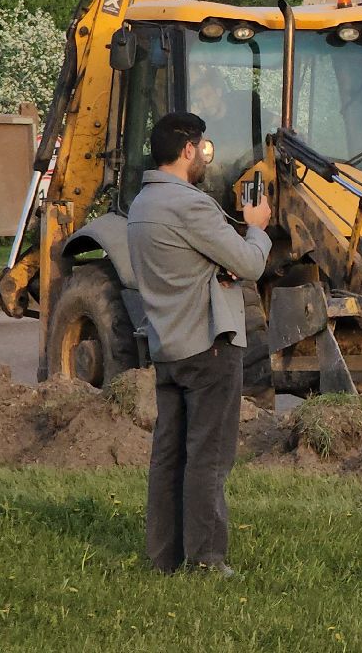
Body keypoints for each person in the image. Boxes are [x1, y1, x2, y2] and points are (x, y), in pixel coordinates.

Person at [128, 112, 272, 576]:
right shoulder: (191, 205)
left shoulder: (142, 205)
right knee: (208, 458)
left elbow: (180, 266)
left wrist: (215, 268)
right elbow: (250, 264)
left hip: (168, 347)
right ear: (188, 149)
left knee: (168, 458)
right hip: (209, 349)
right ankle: (207, 560)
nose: (204, 156)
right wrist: (258, 227)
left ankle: (164, 558)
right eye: (202, 147)